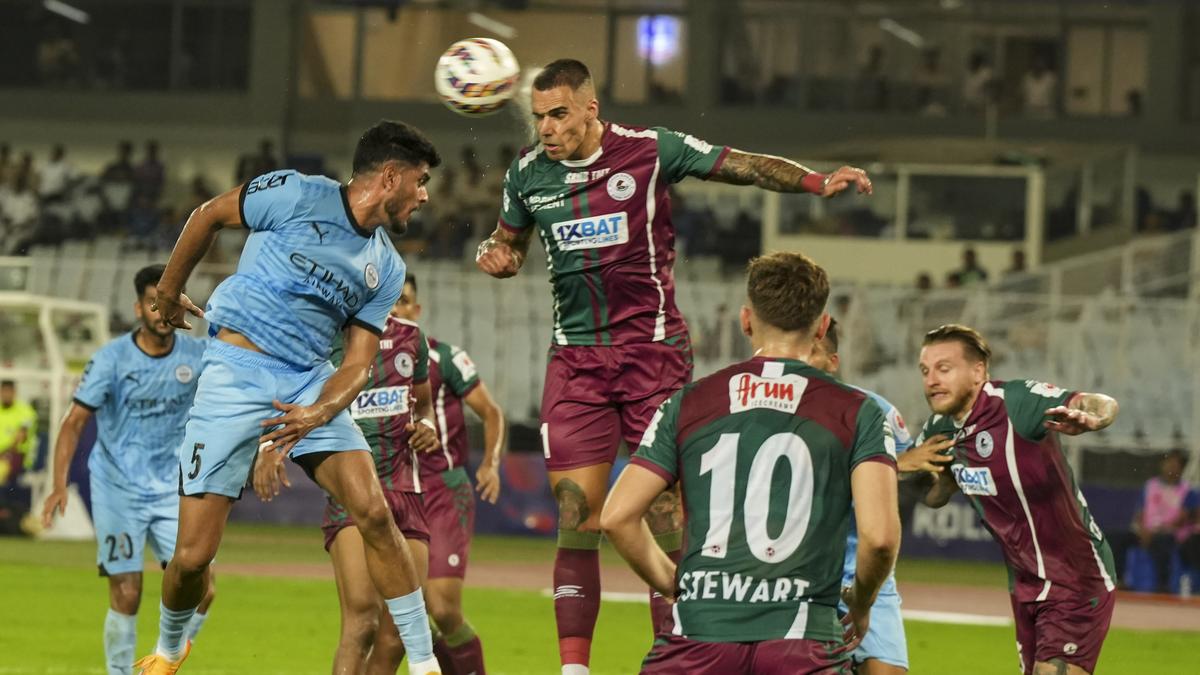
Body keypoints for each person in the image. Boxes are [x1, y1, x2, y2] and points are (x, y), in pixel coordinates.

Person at [475, 58, 872, 675]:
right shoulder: (527, 175)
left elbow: (740, 164)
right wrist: (494, 255)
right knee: (579, 518)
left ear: (590, 109)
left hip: (652, 358)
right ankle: (573, 669)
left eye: (558, 114)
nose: (547, 128)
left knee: (664, 519)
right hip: (576, 363)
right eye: (539, 117)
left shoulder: (650, 150)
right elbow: (507, 243)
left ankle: (677, 651)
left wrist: (816, 183)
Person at [134, 120, 443, 675]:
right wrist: (167, 290)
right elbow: (208, 216)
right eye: (419, 182)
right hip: (234, 372)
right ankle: (169, 647)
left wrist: (321, 410)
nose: (424, 196)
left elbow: (356, 362)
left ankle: (424, 664)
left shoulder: (387, 267)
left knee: (374, 511)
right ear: (390, 176)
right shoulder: (296, 193)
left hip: (307, 381)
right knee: (190, 559)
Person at [599, 252, 900, 674]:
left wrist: (672, 584)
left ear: (745, 320)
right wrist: (863, 603)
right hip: (803, 639)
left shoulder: (688, 403)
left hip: (698, 634)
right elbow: (880, 538)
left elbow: (616, 517)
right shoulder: (859, 411)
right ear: (823, 326)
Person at [257, 275, 442, 674]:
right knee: (362, 622)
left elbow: (425, 405)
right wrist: (269, 449)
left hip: (406, 490)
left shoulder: (413, 338)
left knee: (398, 637)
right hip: (351, 492)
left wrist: (428, 426)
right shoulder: (321, 342)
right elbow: (283, 400)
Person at [915, 324, 1120, 675]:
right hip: (1025, 584)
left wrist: (1092, 416)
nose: (932, 379)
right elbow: (932, 496)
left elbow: (1096, 402)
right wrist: (935, 480)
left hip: (1076, 575)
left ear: (978, 371)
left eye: (944, 368)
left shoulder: (1016, 402)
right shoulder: (939, 430)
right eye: (925, 370)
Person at [40, 265, 214, 675]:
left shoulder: (198, 355)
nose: (162, 312)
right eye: (155, 303)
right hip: (117, 487)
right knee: (127, 591)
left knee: (202, 588)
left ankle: (160, 662)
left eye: (169, 302)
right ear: (138, 307)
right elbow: (73, 423)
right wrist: (58, 485)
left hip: (172, 489)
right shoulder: (111, 359)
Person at [807, 318, 955, 674]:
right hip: (807, 580)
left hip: (869, 579)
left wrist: (948, 478)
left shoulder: (877, 412)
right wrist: (898, 461)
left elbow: (924, 491)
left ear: (833, 361)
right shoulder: (781, 413)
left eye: (813, 353)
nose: (802, 361)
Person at [390, 274, 506, 674]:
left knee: (440, 605)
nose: (396, 309)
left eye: (404, 301)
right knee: (403, 611)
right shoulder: (365, 361)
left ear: (416, 311)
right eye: (390, 301)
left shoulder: (446, 358)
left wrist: (490, 462)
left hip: (442, 490)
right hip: (397, 491)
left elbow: (491, 412)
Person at [1109, 449, 1200, 593]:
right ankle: (1119, 579)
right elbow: (1140, 514)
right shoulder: (1150, 486)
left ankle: (1163, 585)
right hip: (1147, 531)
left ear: (1182, 468)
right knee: (1116, 538)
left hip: (1172, 533)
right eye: (1168, 463)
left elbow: (1182, 520)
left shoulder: (1188, 491)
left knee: (1162, 541)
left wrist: (1158, 530)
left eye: (1175, 464)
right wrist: (1143, 530)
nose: (1171, 467)